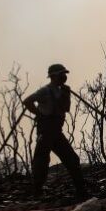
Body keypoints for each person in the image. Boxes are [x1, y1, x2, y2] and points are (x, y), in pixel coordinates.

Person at [23, 63, 86, 198]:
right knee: (41, 160)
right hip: (45, 131)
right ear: (54, 76)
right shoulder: (45, 91)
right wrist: (39, 114)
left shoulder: (63, 90)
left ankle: (81, 191)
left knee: (72, 159)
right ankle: (37, 192)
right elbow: (27, 101)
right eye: (61, 74)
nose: (64, 77)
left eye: (65, 74)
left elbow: (66, 109)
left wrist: (65, 94)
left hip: (56, 132)